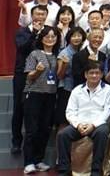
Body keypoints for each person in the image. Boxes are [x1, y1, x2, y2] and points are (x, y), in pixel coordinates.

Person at [56, 61, 110, 176]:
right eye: (91, 73)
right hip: (79, 124)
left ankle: (96, 171)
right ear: (85, 75)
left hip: (98, 125)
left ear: (102, 74)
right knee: (62, 135)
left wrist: (93, 125)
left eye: (97, 73)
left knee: (102, 133)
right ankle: (64, 171)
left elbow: (107, 111)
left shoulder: (109, 90)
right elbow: (70, 111)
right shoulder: (77, 90)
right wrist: (78, 125)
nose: (94, 76)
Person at [22, 25, 60, 174]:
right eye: (47, 36)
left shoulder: (57, 55)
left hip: (50, 95)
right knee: (32, 129)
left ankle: (39, 160)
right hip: (34, 94)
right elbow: (29, 76)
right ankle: (28, 162)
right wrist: (37, 71)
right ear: (42, 38)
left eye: (53, 36)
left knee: (45, 129)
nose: (50, 39)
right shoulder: (34, 54)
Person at [12, 4, 47, 153]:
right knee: (19, 107)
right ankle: (16, 142)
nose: (40, 17)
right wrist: (34, 33)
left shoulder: (48, 33)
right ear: (32, 16)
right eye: (37, 14)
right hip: (22, 74)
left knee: (37, 109)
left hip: (42, 75)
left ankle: (33, 145)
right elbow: (22, 48)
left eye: (43, 14)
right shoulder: (23, 31)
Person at [56, 26, 86, 125]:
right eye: (74, 36)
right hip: (66, 89)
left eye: (79, 36)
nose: (76, 38)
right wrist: (65, 65)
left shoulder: (83, 52)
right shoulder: (64, 53)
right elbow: (59, 75)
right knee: (64, 120)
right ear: (69, 38)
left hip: (79, 88)